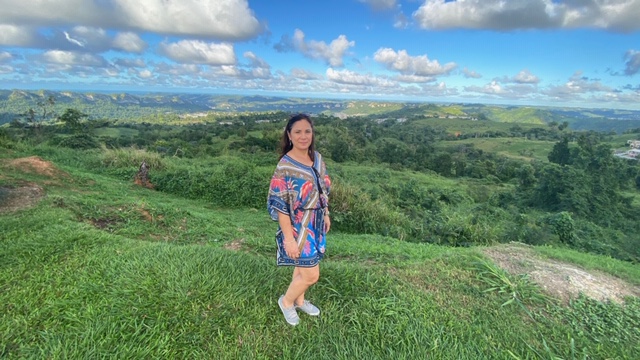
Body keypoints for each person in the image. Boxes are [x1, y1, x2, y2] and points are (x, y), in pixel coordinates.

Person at [267, 113, 331, 326]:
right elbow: (280, 205)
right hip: (298, 227)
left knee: (303, 268)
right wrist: (288, 239)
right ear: (289, 135)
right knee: (312, 275)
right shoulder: (284, 166)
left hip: (316, 222)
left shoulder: (318, 159)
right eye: (298, 132)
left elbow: (324, 190)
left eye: (307, 131)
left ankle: (300, 300)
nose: (303, 136)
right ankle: (286, 301)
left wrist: (327, 213)